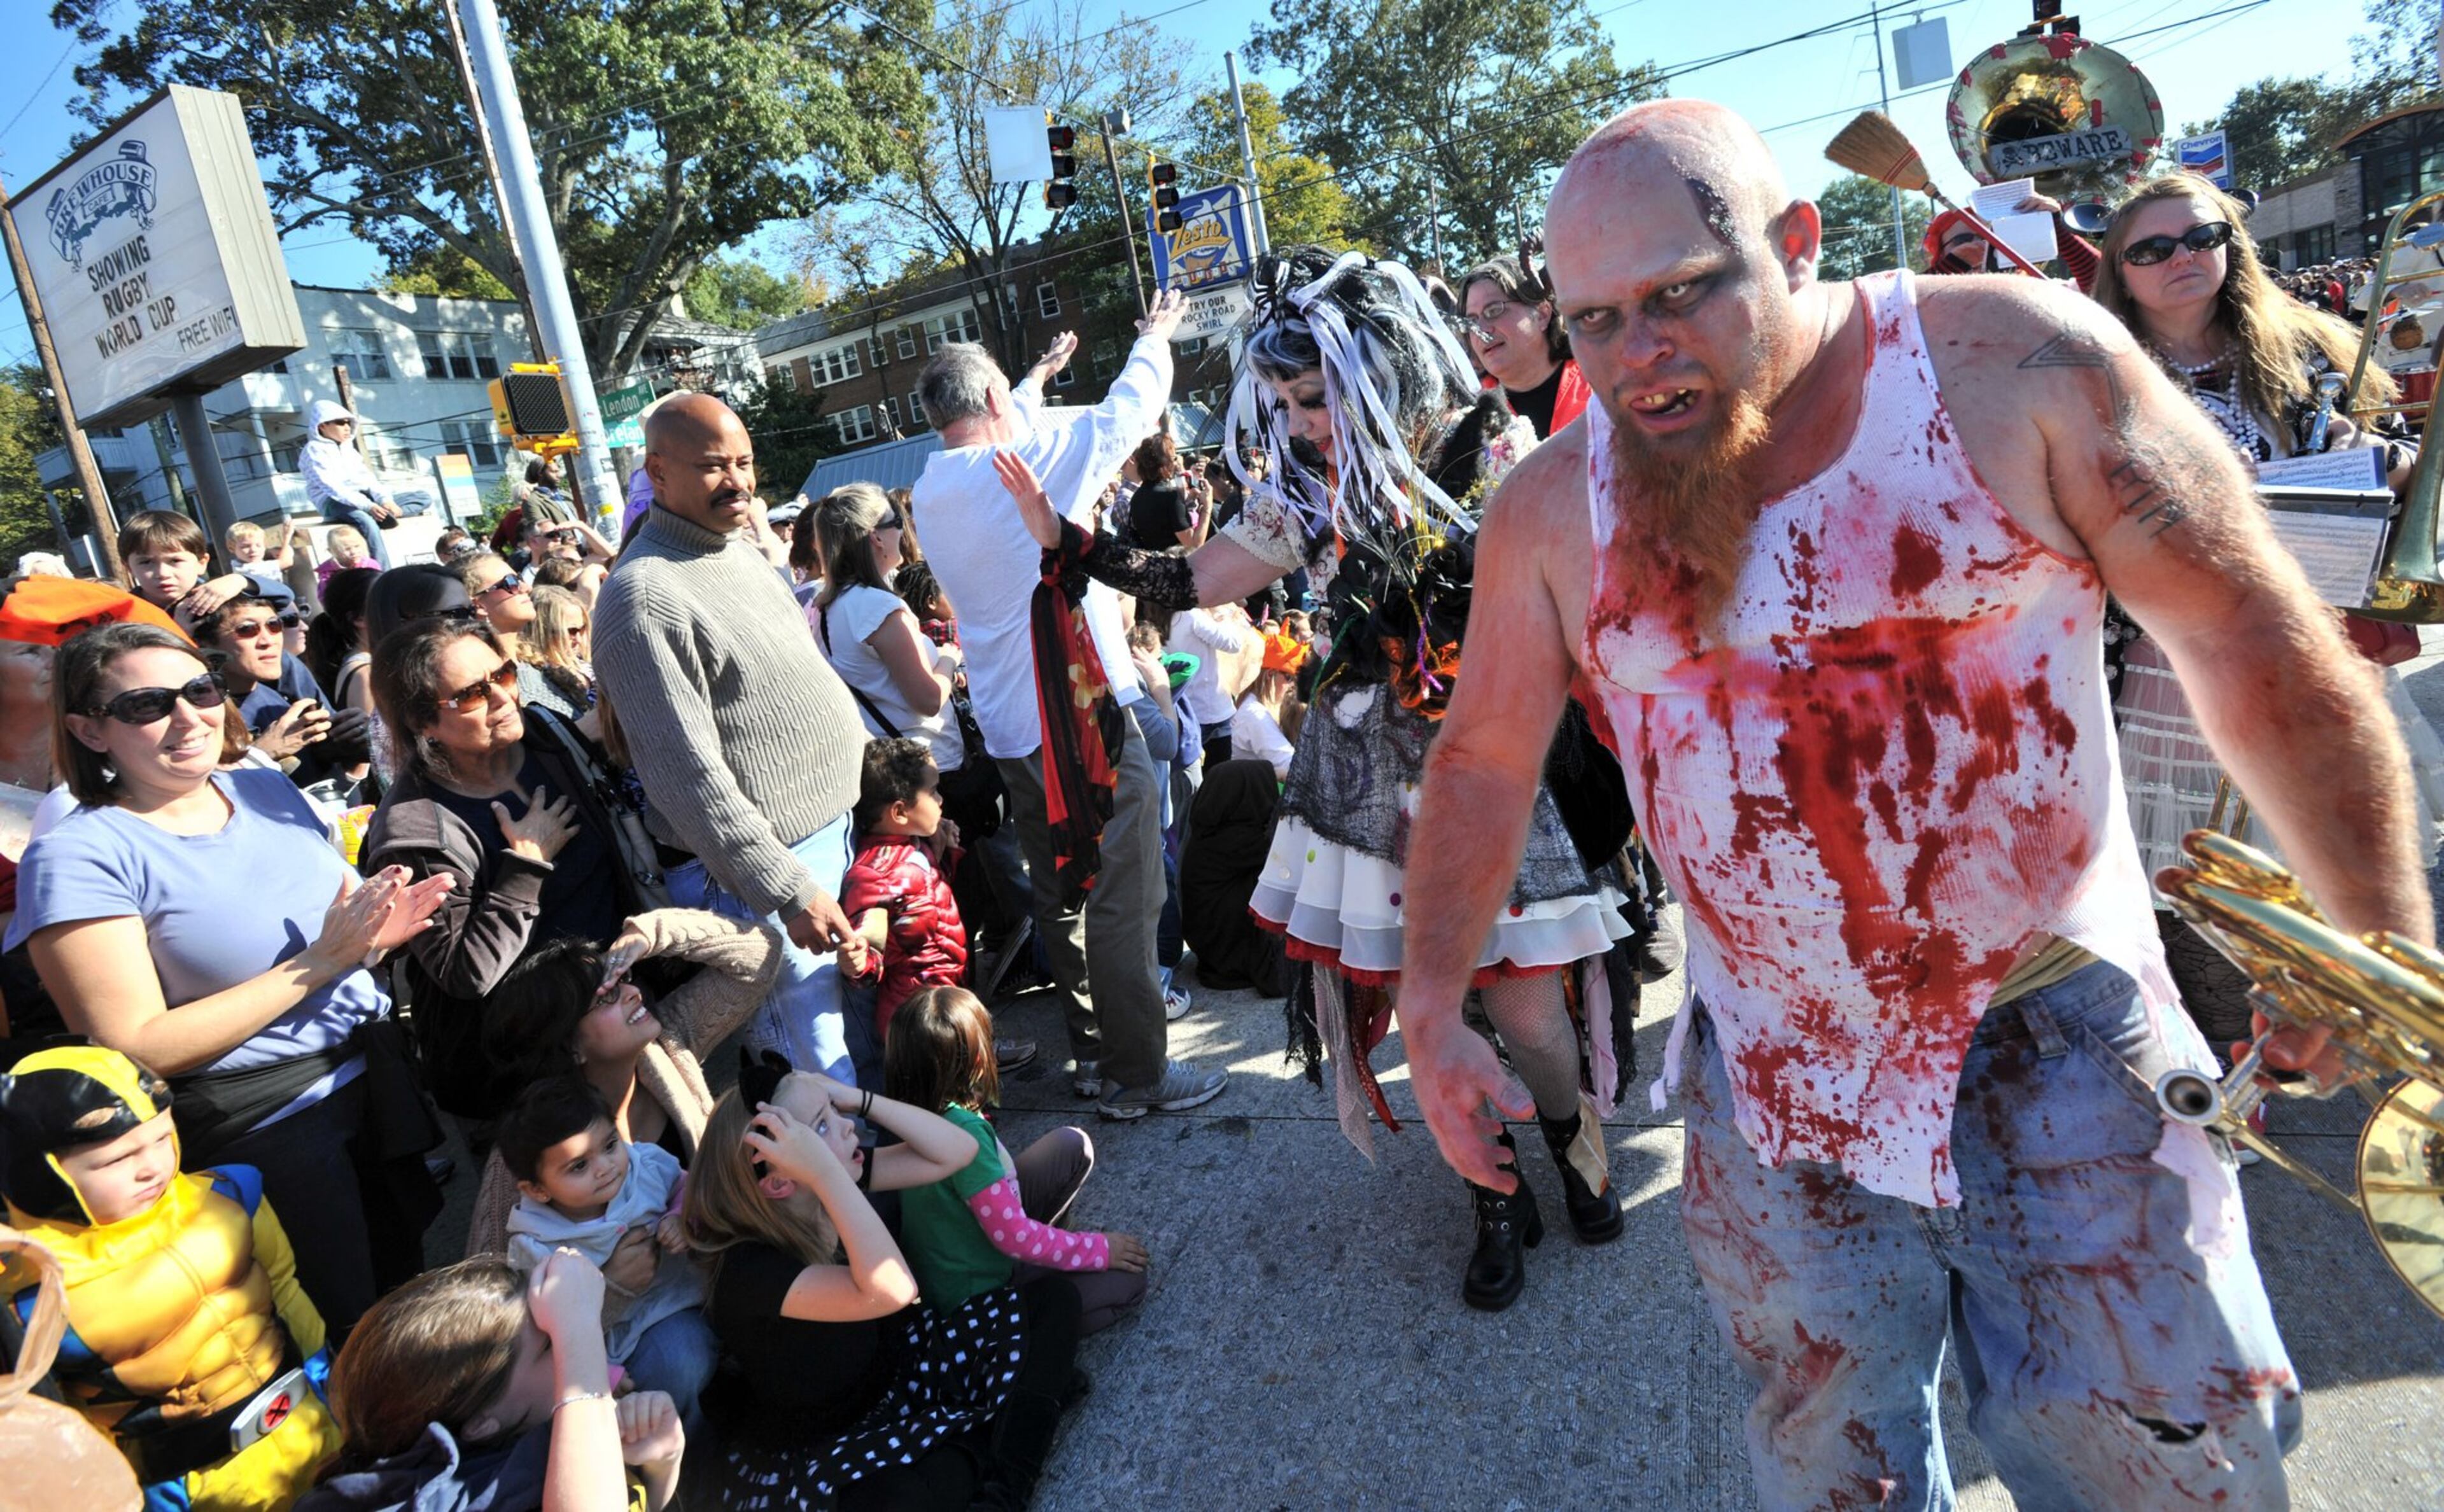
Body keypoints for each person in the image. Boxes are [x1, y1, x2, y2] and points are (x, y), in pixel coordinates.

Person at [1392, 99, 2420, 1506]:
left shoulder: (2008, 365)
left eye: (1683, 297)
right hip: (1773, 1087)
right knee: (1838, 1475)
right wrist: (1431, 1004)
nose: (1641, 356)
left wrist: (2368, 940)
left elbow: (2257, 644)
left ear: (1799, 244)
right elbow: (1486, 758)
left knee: (2168, 1470)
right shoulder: (1553, 510)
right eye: (1595, 322)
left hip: (2062, 1050)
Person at [998, 248, 1633, 1308]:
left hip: (1493, 764)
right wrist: (1067, 545)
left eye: (1315, 396)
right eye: (1283, 401)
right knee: (1445, 1004)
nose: (1298, 421)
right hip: (1371, 782)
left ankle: (1575, 1138)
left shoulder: (1490, 453)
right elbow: (1192, 577)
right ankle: (1492, 1189)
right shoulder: (1299, 496)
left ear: (1377, 369)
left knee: (1524, 1007)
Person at [8, 623, 453, 1331]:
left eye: (199, 691)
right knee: (348, 1342)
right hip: (265, 1136)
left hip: (374, 1085)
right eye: (146, 706)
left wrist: (378, 932)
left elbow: (336, 935)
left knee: (411, 1309)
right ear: (90, 732)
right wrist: (323, 962)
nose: (187, 717)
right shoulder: (78, 854)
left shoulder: (263, 786)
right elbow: (132, 1045)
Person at [2089, 170, 2438, 1051]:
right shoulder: (2095, 381)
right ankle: (2214, 1070)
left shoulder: (2303, 354)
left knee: (2312, 857)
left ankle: (2305, 1040)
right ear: (2121, 271)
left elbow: (2372, 450)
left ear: (2231, 248)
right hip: (2172, 662)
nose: (2183, 258)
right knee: (2194, 875)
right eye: (2154, 248)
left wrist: (2375, 466)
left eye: (2203, 237)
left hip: (2305, 634)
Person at [917, 297, 1230, 1121]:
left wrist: (1032, 378)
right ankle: (1141, 1075)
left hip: (1014, 727)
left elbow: (1004, 420)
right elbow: (1127, 414)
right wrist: (1153, 339)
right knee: (1127, 896)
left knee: (1065, 895)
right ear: (990, 407)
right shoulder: (1033, 461)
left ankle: (1094, 1049)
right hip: (1082, 718)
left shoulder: (931, 488)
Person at [594, 394, 871, 1084]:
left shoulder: (737, 551)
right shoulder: (644, 596)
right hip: (762, 875)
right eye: (714, 466)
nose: (740, 482)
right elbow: (684, 775)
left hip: (825, 837)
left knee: (850, 1039)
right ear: (657, 474)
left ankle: (867, 1178)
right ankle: (835, 1189)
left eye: (745, 463)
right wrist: (783, 887)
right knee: (813, 1066)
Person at [682, 1059, 1081, 1510]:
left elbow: (959, 1151)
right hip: (837, 1441)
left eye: (837, 1112)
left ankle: (1004, 1480)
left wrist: (856, 1099)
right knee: (897, 1499)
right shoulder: (748, 1270)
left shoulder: (831, 1182)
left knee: (1054, 1302)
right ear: (780, 1179)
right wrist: (828, 1174)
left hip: (905, 1377)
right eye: (823, 1127)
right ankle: (1011, 1418)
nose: (848, 1126)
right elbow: (893, 1288)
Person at [0, 1046, 347, 1510]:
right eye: (115, 1160)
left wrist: (329, 1376)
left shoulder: (230, 1195)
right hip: (180, 1481)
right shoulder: (27, 1291)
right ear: (37, 1170)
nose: (152, 1166)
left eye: (163, 1138)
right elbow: (54, 1417)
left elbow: (285, 1288)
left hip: (309, 1426)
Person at [363, 618, 642, 1119]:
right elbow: (465, 972)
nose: (501, 699)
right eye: (471, 694)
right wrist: (528, 865)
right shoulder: (416, 831)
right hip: (535, 1070)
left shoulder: (545, 736)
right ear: (423, 722)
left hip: (618, 1014)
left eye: (505, 675)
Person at [461, 908, 782, 1257]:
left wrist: (644, 934)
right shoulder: (526, 1147)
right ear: (569, 1047)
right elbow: (492, 1293)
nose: (633, 992)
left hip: (734, 1270)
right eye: (606, 996)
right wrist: (613, 1288)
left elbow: (762, 954)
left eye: (624, 976)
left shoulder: (666, 1046)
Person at [298, 1254, 684, 1512]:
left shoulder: (548, 1433)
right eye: (551, 1343)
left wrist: (659, 1464)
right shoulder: (457, 1498)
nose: (573, 1348)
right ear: (481, 1423)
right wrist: (577, 1330)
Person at [883, 985, 1148, 1333]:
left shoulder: (911, 1117)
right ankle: (1023, 1334)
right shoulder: (964, 1133)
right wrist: (1098, 1250)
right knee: (1130, 1282)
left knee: (1072, 1145)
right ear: (979, 1058)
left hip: (958, 1270)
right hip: (982, 1296)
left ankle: (1043, 1270)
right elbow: (1014, 1238)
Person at [496, 1075, 716, 1436]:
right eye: (579, 1166)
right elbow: (542, 1336)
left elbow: (686, 1184)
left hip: (685, 1301)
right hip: (614, 1349)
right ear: (536, 1190)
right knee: (675, 1366)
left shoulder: (644, 1166)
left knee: (690, 1352)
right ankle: (684, 1452)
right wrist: (604, 1373)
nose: (606, 1166)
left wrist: (680, 1215)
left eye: (610, 1144)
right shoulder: (536, 1246)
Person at [839, 738, 973, 1079]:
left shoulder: (913, 843)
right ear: (899, 812)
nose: (942, 800)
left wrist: (943, 852)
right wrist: (858, 961)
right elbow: (871, 954)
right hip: (918, 1021)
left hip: (943, 995)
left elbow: (926, 904)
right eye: (933, 792)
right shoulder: (876, 875)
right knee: (940, 1107)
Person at [1457, 251, 1591, 440]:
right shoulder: (1469, 411)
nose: (1482, 330)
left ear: (1542, 314)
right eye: (1471, 321)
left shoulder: (1602, 381)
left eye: (1494, 310)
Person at [119, 510, 265, 633]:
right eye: (146, 562)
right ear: (129, 568)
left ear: (202, 563)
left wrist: (241, 581)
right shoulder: (123, 618)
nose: (162, 573)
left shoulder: (221, 597)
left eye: (175, 561)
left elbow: (284, 599)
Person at [298, 401, 398, 570]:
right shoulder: (313, 450)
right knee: (367, 522)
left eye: (349, 422)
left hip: (364, 498)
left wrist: (386, 501)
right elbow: (332, 487)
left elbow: (368, 479)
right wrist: (368, 506)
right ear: (322, 426)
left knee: (421, 497)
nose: (347, 427)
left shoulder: (349, 450)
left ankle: (386, 515)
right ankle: (383, 573)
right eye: (340, 422)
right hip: (333, 502)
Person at [1165, 598, 1251, 763]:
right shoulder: (1191, 615)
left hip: (1184, 711)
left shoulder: (1155, 616)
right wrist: (1223, 614)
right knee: (1218, 781)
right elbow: (1233, 643)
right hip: (1212, 711)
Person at [304, 566, 381, 719]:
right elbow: (381, 740)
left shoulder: (367, 664)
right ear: (359, 619)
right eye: (387, 603)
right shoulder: (365, 674)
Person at [1230, 627, 1305, 783]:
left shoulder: (1255, 704)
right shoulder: (1255, 714)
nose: (1294, 685)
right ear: (1270, 675)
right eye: (1289, 677)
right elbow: (1291, 764)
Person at [223, 520, 293, 591]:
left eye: (258, 545)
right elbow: (286, 562)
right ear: (231, 548)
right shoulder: (247, 569)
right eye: (245, 547)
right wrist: (287, 538)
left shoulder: (237, 564)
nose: (253, 550)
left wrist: (270, 551)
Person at [316, 525, 376, 592]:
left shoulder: (370, 566)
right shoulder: (329, 573)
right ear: (333, 551)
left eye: (357, 546)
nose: (354, 552)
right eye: (347, 549)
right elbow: (324, 595)